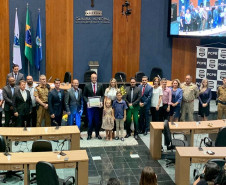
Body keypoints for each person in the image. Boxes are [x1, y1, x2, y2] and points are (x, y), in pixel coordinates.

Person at [83, 73, 104, 140]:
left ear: (96, 78)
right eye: (93, 78)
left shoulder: (100, 85)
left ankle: (97, 134)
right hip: (90, 107)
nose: (94, 79)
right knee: (90, 121)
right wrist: (87, 102)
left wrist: (101, 101)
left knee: (97, 121)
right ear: (91, 78)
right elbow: (84, 96)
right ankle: (89, 134)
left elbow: (103, 95)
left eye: (95, 78)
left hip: (98, 107)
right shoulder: (87, 86)